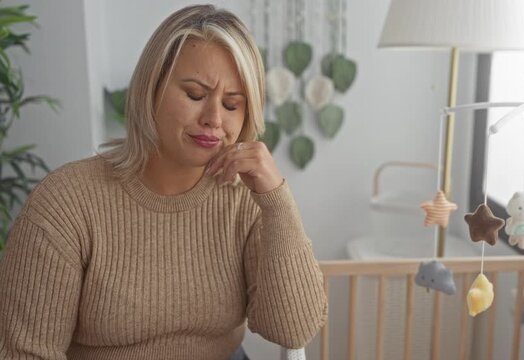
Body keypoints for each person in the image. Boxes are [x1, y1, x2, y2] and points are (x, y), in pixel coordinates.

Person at [0, 4, 327, 360]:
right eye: (195, 96)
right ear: (150, 89)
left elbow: (292, 329)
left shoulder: (245, 198)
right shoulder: (66, 202)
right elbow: (25, 352)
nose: (214, 119)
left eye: (233, 104)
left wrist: (277, 200)